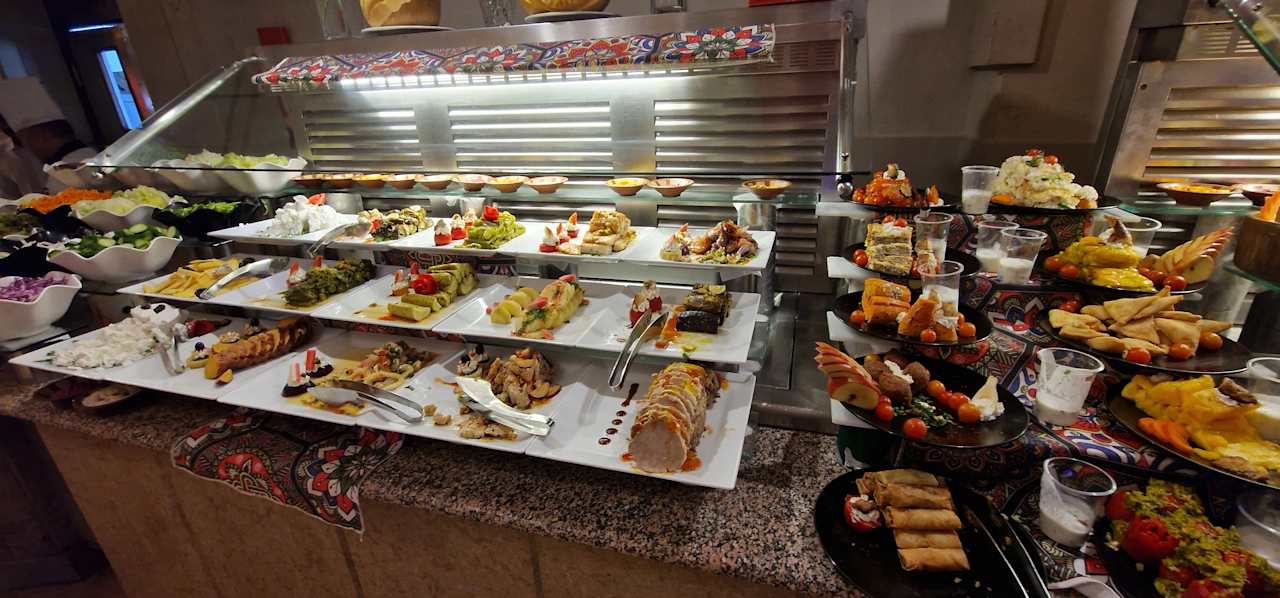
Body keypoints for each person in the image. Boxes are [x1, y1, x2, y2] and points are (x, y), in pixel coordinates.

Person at [0, 77, 98, 193]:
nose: (25, 145)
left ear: (41, 136)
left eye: (23, 138)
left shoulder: (65, 176)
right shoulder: (91, 154)